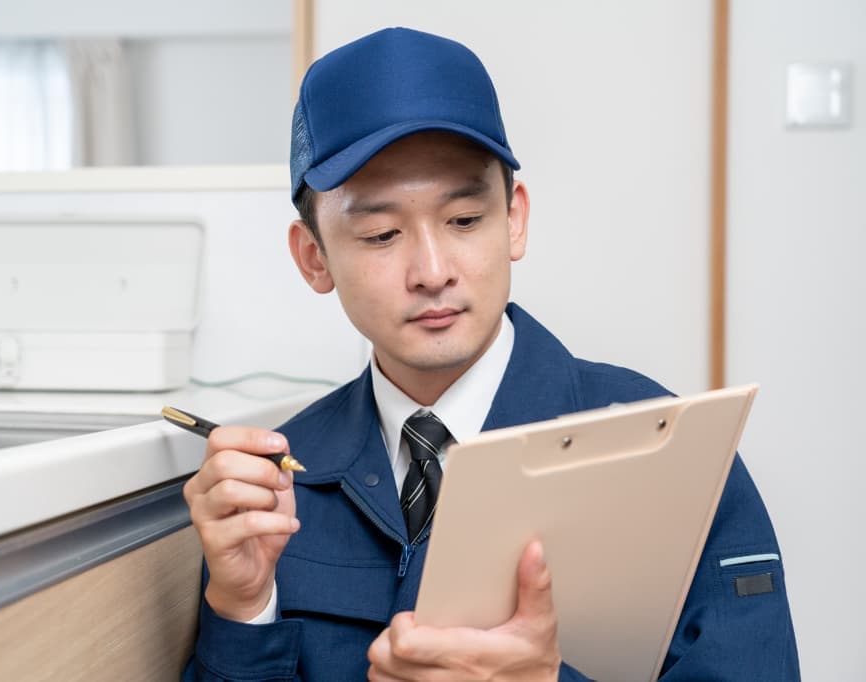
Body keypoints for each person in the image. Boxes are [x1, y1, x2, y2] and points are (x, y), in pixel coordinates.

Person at [182, 27, 799, 681]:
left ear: (516, 219)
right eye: (382, 233)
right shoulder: (277, 490)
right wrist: (243, 607)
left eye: (465, 221)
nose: (431, 270)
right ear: (314, 258)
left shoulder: (671, 448)